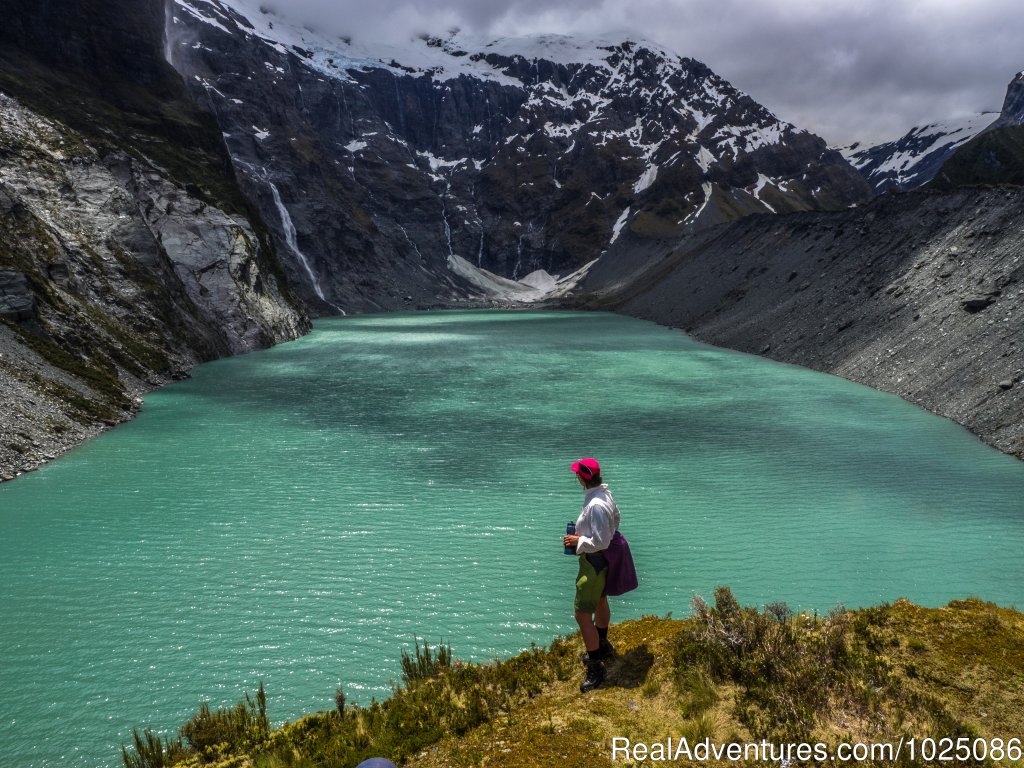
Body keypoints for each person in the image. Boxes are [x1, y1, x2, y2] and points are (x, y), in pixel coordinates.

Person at [563, 456, 619, 692]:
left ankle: (595, 667)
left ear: (581, 477)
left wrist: (578, 540)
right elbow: (616, 521)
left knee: (582, 615)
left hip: (593, 564)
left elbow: (600, 541)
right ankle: (602, 643)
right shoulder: (605, 494)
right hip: (605, 562)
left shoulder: (595, 504)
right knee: (601, 600)